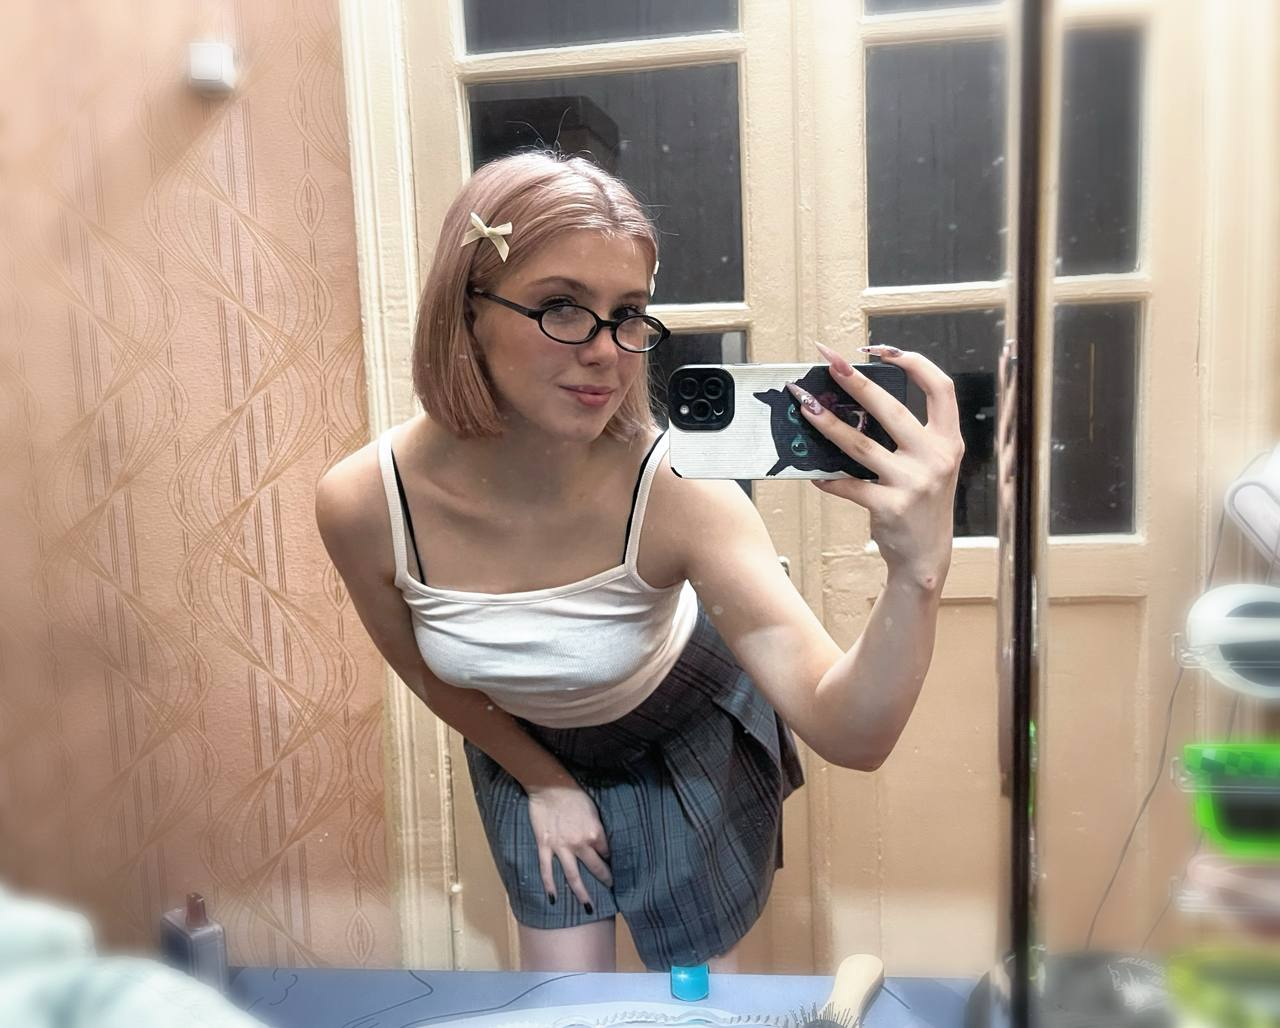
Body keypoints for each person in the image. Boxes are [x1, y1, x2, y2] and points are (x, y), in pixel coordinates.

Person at [315, 150, 963, 974]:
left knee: (693, 998)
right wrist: (542, 779)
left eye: (628, 313)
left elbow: (853, 734)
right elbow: (417, 663)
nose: (608, 351)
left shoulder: (681, 494)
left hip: (685, 728)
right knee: (563, 997)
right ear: (465, 310)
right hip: (518, 739)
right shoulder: (364, 503)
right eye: (561, 306)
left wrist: (916, 572)